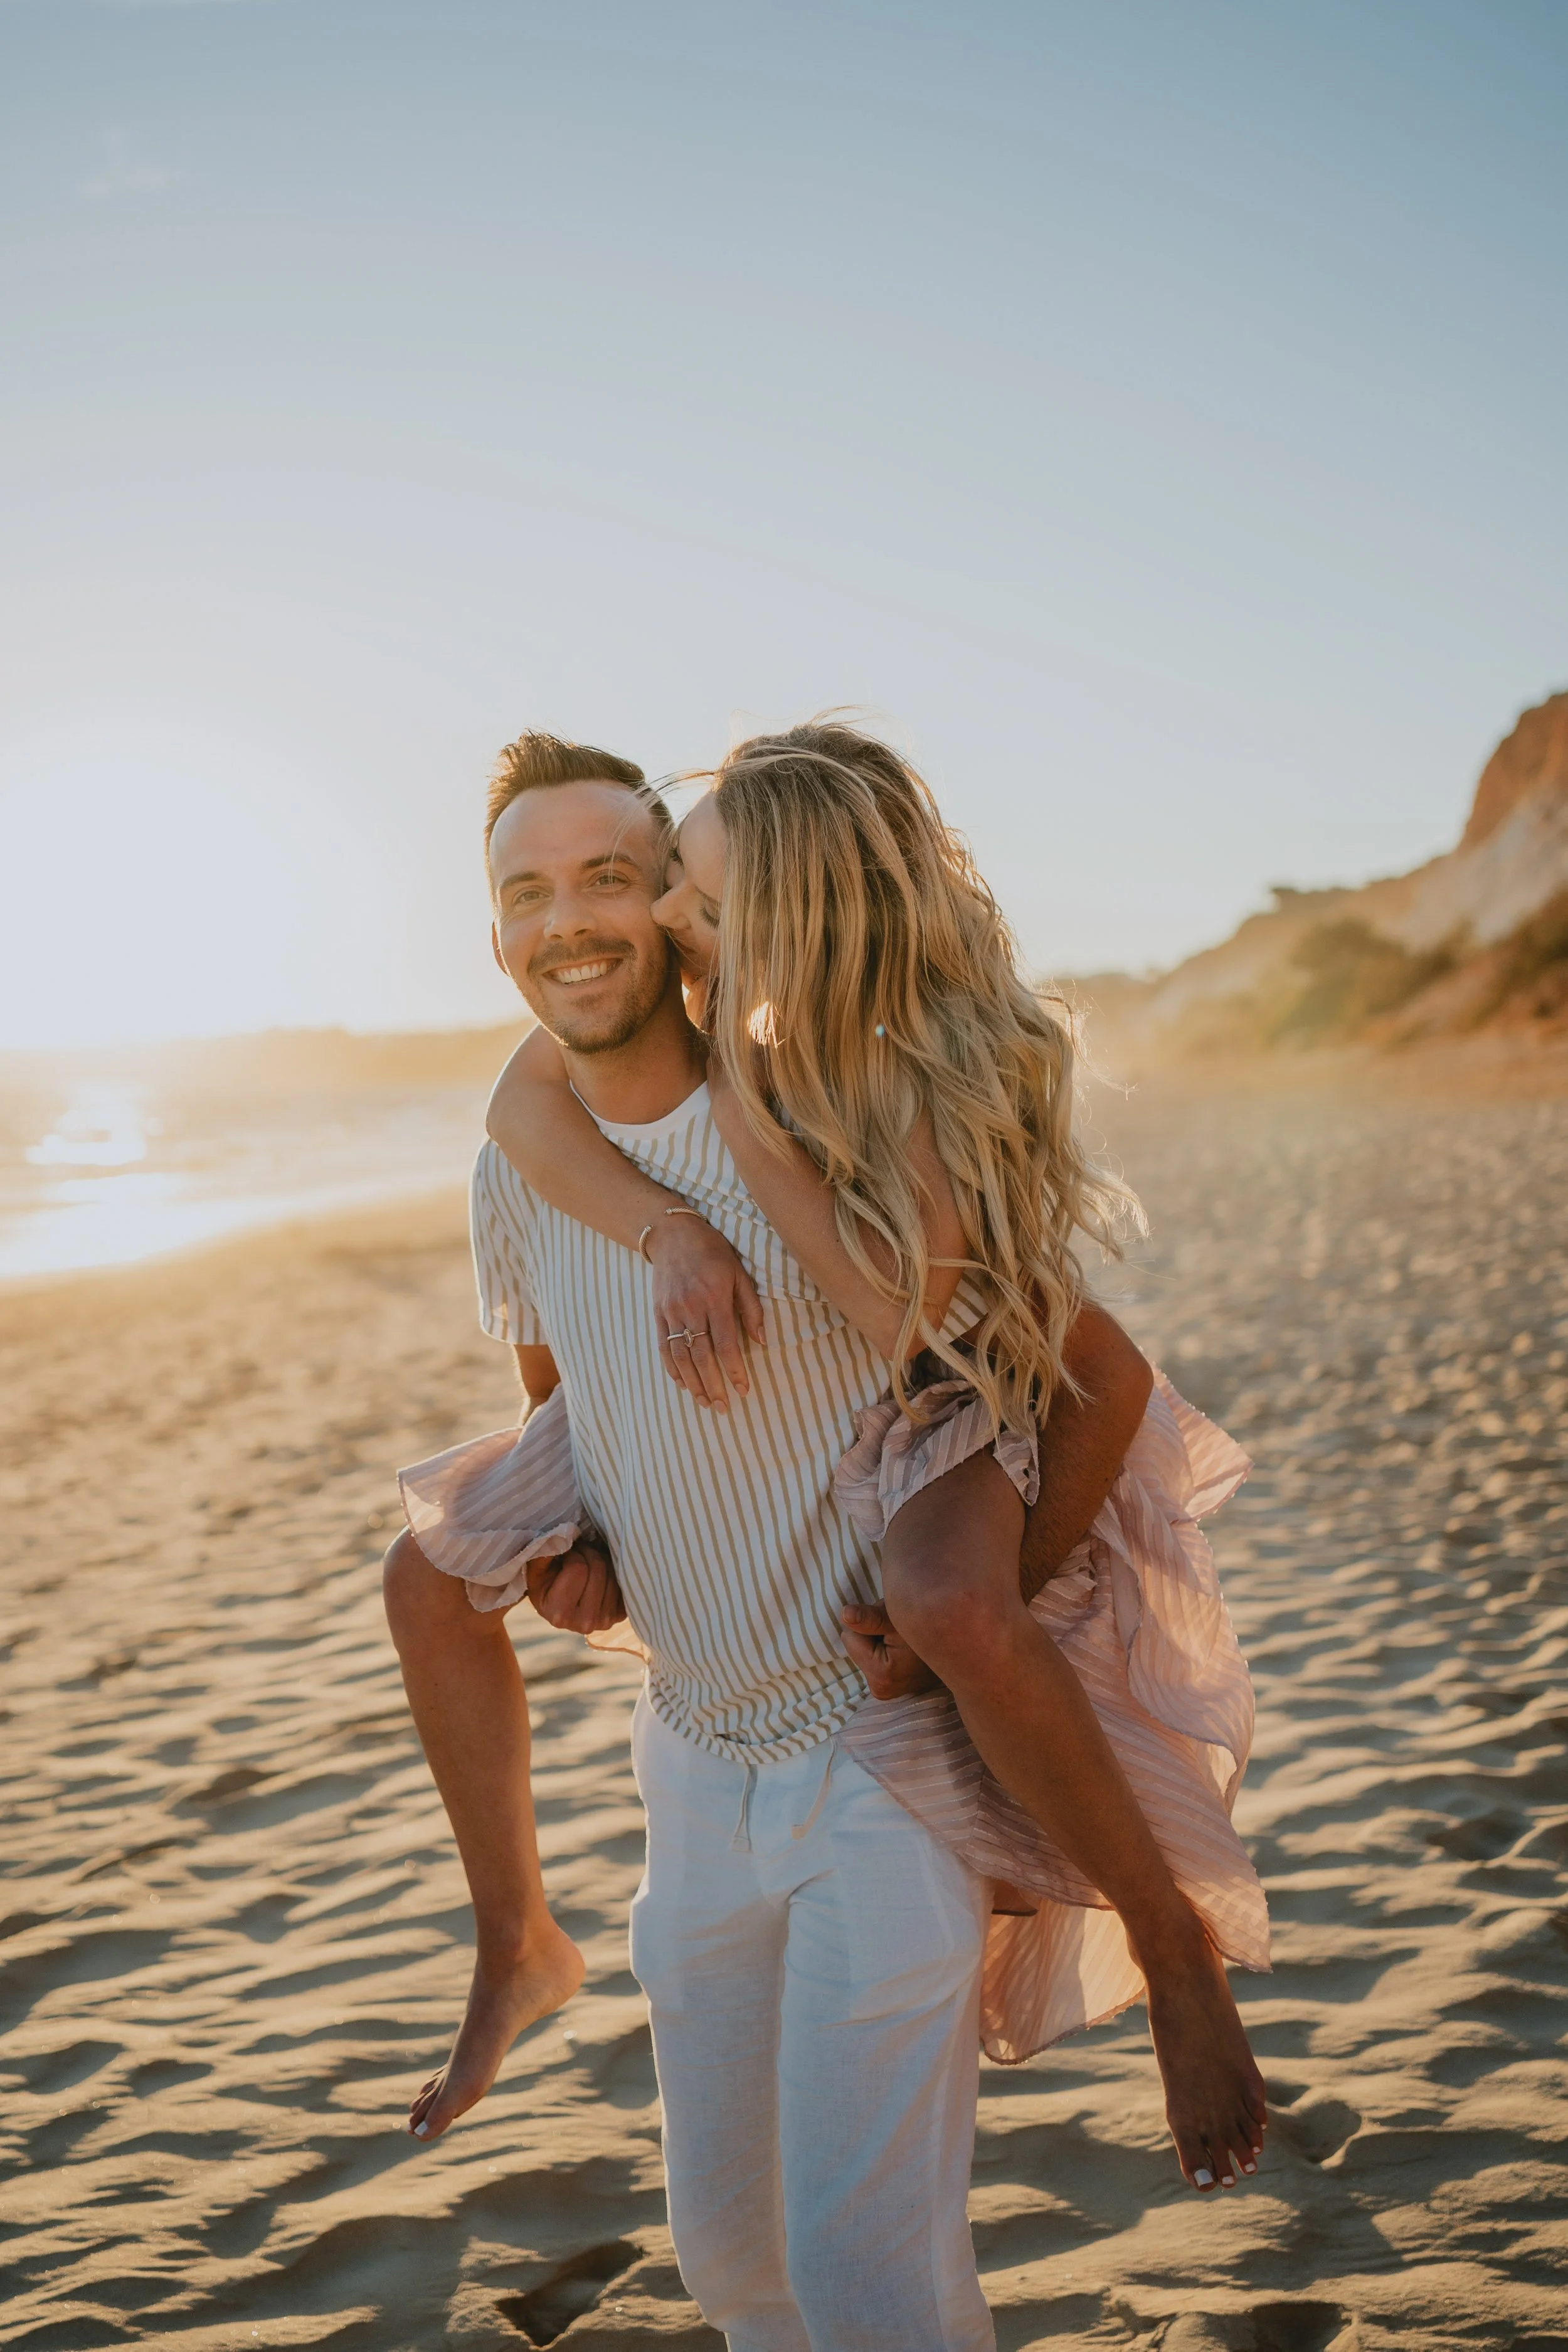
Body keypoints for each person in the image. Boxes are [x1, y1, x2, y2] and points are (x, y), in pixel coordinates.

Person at [383, 727, 1265, 2349]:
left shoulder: (831, 1112)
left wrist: (978, 1592)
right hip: (689, 1770)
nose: (571, 918)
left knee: (871, 2287)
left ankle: (1172, 1947)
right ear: (491, 932)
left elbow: (1090, 1375)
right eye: (525, 890)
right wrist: (587, 1556)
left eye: (617, 879)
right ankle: (521, 1940)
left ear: (680, 905)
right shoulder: (521, 1149)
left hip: (872, 1773)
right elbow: (569, 1417)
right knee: (735, 2267)